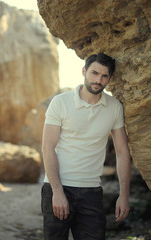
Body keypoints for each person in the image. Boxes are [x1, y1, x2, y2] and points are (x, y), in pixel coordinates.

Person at [41, 53, 131, 240]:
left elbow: (122, 152)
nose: (98, 80)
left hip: (91, 191)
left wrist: (124, 195)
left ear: (109, 79)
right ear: (84, 71)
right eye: (94, 73)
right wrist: (57, 192)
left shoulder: (114, 107)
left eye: (104, 76)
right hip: (58, 186)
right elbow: (48, 147)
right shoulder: (60, 102)